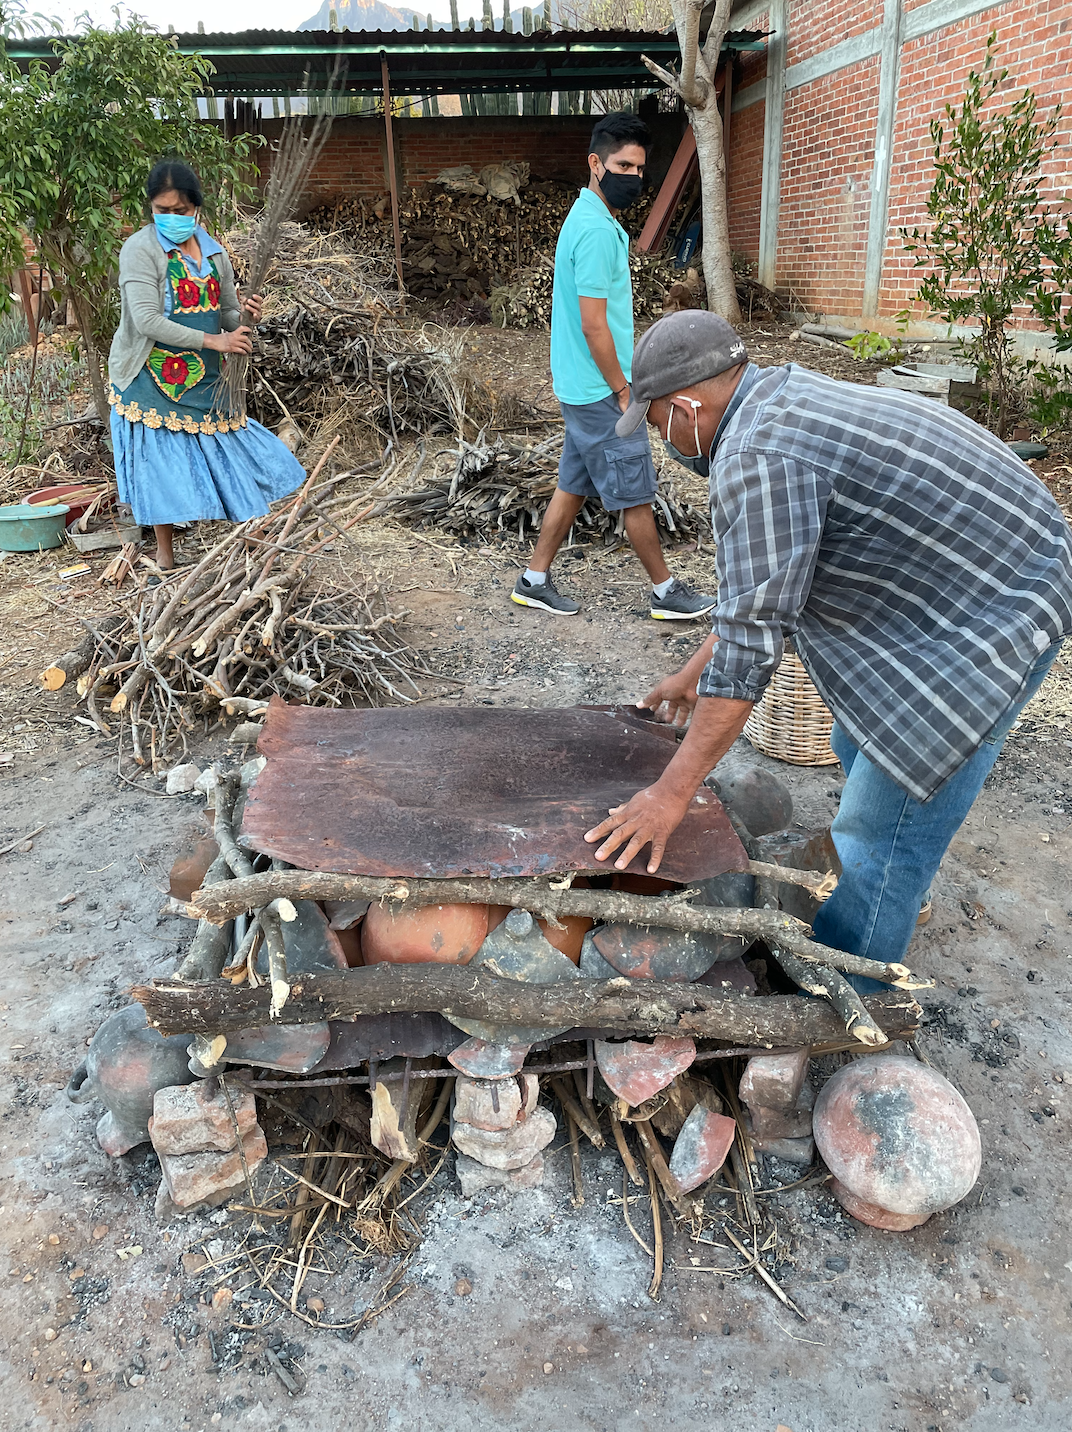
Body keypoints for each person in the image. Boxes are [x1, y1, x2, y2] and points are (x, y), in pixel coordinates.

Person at [583, 310, 1072, 976]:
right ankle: (894, 888)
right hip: (974, 567)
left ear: (688, 407)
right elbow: (763, 592)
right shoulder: (774, 395)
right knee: (858, 740)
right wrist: (692, 672)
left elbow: (754, 649)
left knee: (883, 829)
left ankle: (848, 992)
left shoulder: (758, 454)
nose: (660, 437)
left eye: (656, 419)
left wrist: (670, 795)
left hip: (1002, 599)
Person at [511, 114, 715, 621]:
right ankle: (666, 593)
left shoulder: (585, 218)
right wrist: (624, 389)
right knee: (636, 492)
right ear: (595, 164)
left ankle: (534, 579)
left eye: (641, 169)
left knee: (573, 484)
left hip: (579, 385)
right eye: (624, 165)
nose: (634, 177)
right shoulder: (598, 232)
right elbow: (594, 326)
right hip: (601, 389)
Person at [108, 160, 305, 573]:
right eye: (162, 210)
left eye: (180, 211)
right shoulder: (140, 251)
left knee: (231, 449)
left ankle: (251, 540)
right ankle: (165, 554)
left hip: (206, 376)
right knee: (159, 464)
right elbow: (146, 320)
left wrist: (248, 318)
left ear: (196, 208)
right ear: (150, 209)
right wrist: (216, 340)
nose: (172, 218)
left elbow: (227, 312)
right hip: (150, 373)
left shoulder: (214, 252)